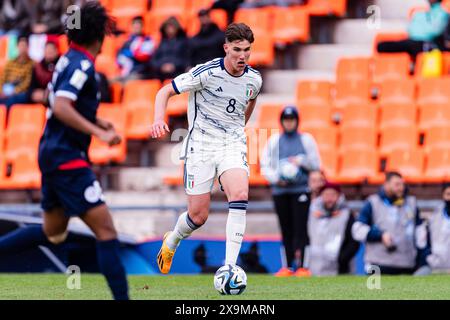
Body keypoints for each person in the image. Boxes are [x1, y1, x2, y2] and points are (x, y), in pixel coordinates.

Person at [0, 2, 129, 300]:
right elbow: (59, 106)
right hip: (66, 158)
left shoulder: (65, 60)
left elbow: (52, 98)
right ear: (100, 35)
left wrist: (95, 118)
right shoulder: (82, 65)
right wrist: (98, 132)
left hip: (52, 153)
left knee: (53, 233)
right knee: (107, 232)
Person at [150, 23, 262, 274]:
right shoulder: (206, 73)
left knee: (240, 194)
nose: (242, 56)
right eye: (237, 50)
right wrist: (159, 119)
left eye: (247, 50)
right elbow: (165, 91)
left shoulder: (254, 79)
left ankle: (229, 268)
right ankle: (172, 240)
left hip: (231, 143)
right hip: (200, 146)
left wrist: (238, 128)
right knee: (198, 217)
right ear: (226, 48)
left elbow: (251, 99)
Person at [260, 106, 321, 277]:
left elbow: (316, 164)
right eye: (286, 120)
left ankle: (303, 267)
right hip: (281, 191)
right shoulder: (274, 141)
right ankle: (287, 266)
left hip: (300, 189)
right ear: (282, 122)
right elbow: (266, 164)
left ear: (297, 121)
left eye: (292, 119)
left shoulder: (306, 139)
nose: (289, 123)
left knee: (301, 228)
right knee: (286, 229)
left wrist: (300, 161)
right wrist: (275, 179)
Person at [352, 171, 427, 275]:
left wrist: (421, 259)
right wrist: (380, 235)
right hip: (378, 263)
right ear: (386, 185)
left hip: (406, 264)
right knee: (375, 290)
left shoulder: (411, 203)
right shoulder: (373, 202)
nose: (401, 188)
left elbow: (420, 233)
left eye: (402, 184)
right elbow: (357, 229)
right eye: (397, 184)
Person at [306, 182, 360, 276]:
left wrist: (341, 259)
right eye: (326, 195)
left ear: (339, 197)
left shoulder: (347, 215)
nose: (329, 198)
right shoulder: (313, 214)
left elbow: (354, 242)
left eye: (333, 195)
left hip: (341, 269)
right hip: (315, 268)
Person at [377, 0, 449, 59]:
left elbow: (434, 31)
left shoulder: (443, 12)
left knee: (412, 45)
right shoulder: (421, 12)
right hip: (414, 42)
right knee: (382, 46)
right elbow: (411, 30)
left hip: (426, 44)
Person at [414, 183, 450, 275]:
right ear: (443, 196)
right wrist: (428, 256)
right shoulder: (434, 217)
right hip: (434, 265)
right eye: (448, 194)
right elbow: (423, 241)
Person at [0, 33, 33, 109]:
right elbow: (2, 79)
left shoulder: (32, 64)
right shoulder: (10, 63)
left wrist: (13, 92)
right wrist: (1, 91)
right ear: (17, 47)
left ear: (28, 47)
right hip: (6, 90)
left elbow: (27, 83)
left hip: (20, 92)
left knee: (15, 99)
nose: (22, 48)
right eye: (21, 45)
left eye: (24, 46)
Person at [151, 17, 188, 81]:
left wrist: (174, 66)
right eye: (168, 27)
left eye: (172, 26)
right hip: (161, 74)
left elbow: (186, 59)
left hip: (178, 73)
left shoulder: (184, 42)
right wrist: (162, 66)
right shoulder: (161, 43)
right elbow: (153, 60)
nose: (170, 29)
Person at [28, 40, 59, 104]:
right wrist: (33, 93)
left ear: (56, 51)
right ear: (44, 52)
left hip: (57, 97)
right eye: (47, 50)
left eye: (52, 50)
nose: (50, 52)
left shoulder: (62, 64)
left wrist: (48, 93)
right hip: (40, 96)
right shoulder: (37, 67)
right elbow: (31, 87)